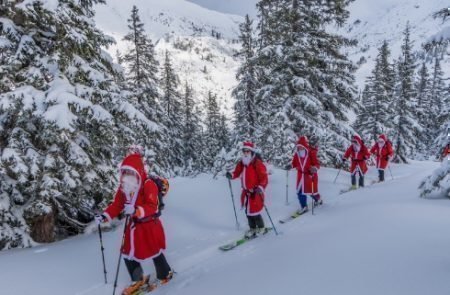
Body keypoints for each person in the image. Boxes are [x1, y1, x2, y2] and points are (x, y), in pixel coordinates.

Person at [95, 146, 173, 292]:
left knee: (154, 251)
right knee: (127, 252)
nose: (127, 174)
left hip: (149, 226)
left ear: (138, 170)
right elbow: (117, 204)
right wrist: (106, 215)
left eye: (131, 171)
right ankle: (138, 279)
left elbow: (152, 206)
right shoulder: (124, 187)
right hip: (133, 227)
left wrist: (137, 210)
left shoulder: (148, 184)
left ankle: (165, 274)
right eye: (125, 171)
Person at [226, 141, 268, 238]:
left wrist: (260, 187)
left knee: (255, 212)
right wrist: (231, 175)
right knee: (248, 212)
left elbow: (264, 177)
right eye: (244, 151)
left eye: (247, 151)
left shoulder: (257, 163)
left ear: (252, 152)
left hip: (256, 192)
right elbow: (236, 172)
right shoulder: (242, 163)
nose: (245, 153)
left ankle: (261, 227)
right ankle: (252, 228)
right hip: (246, 192)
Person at [287, 136, 321, 214]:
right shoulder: (297, 154)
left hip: (309, 175)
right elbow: (294, 163)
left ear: (304, 146)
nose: (299, 148)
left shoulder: (311, 153)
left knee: (311, 192)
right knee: (299, 192)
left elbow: (317, 164)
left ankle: (318, 199)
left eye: (301, 146)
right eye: (298, 146)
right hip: (300, 176)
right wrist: (290, 166)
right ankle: (304, 206)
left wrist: (314, 168)